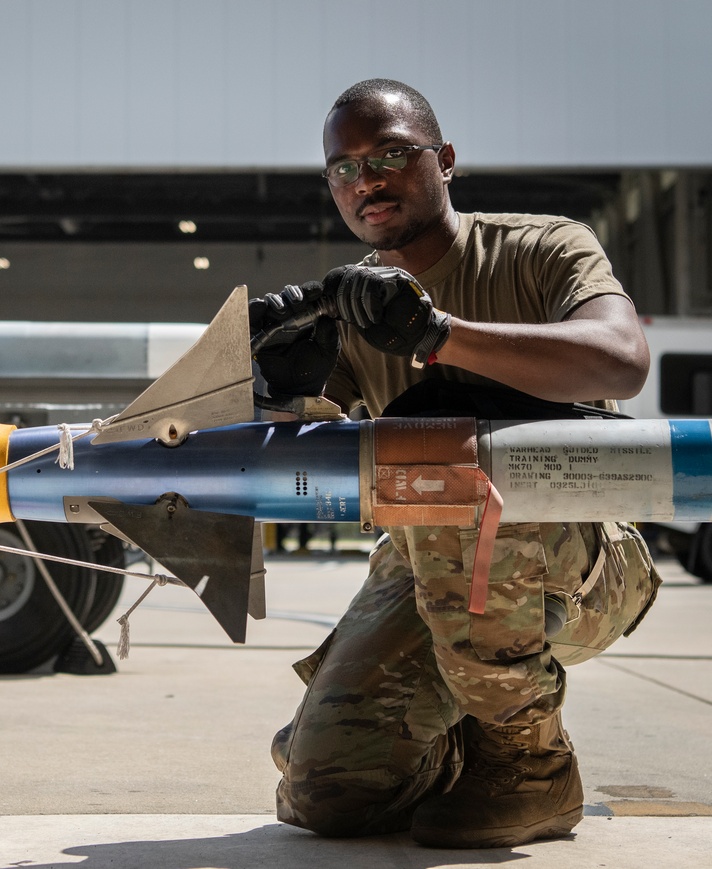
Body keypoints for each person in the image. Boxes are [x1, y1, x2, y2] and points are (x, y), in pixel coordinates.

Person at [249, 79, 662, 849]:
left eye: (392, 155)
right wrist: (281, 392)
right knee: (328, 792)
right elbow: (292, 463)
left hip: (584, 556)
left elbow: (622, 361)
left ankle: (530, 768)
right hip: (429, 558)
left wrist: (439, 333)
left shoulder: (542, 246)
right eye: (343, 167)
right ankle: (442, 745)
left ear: (444, 160)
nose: (366, 180)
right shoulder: (353, 307)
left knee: (452, 468)